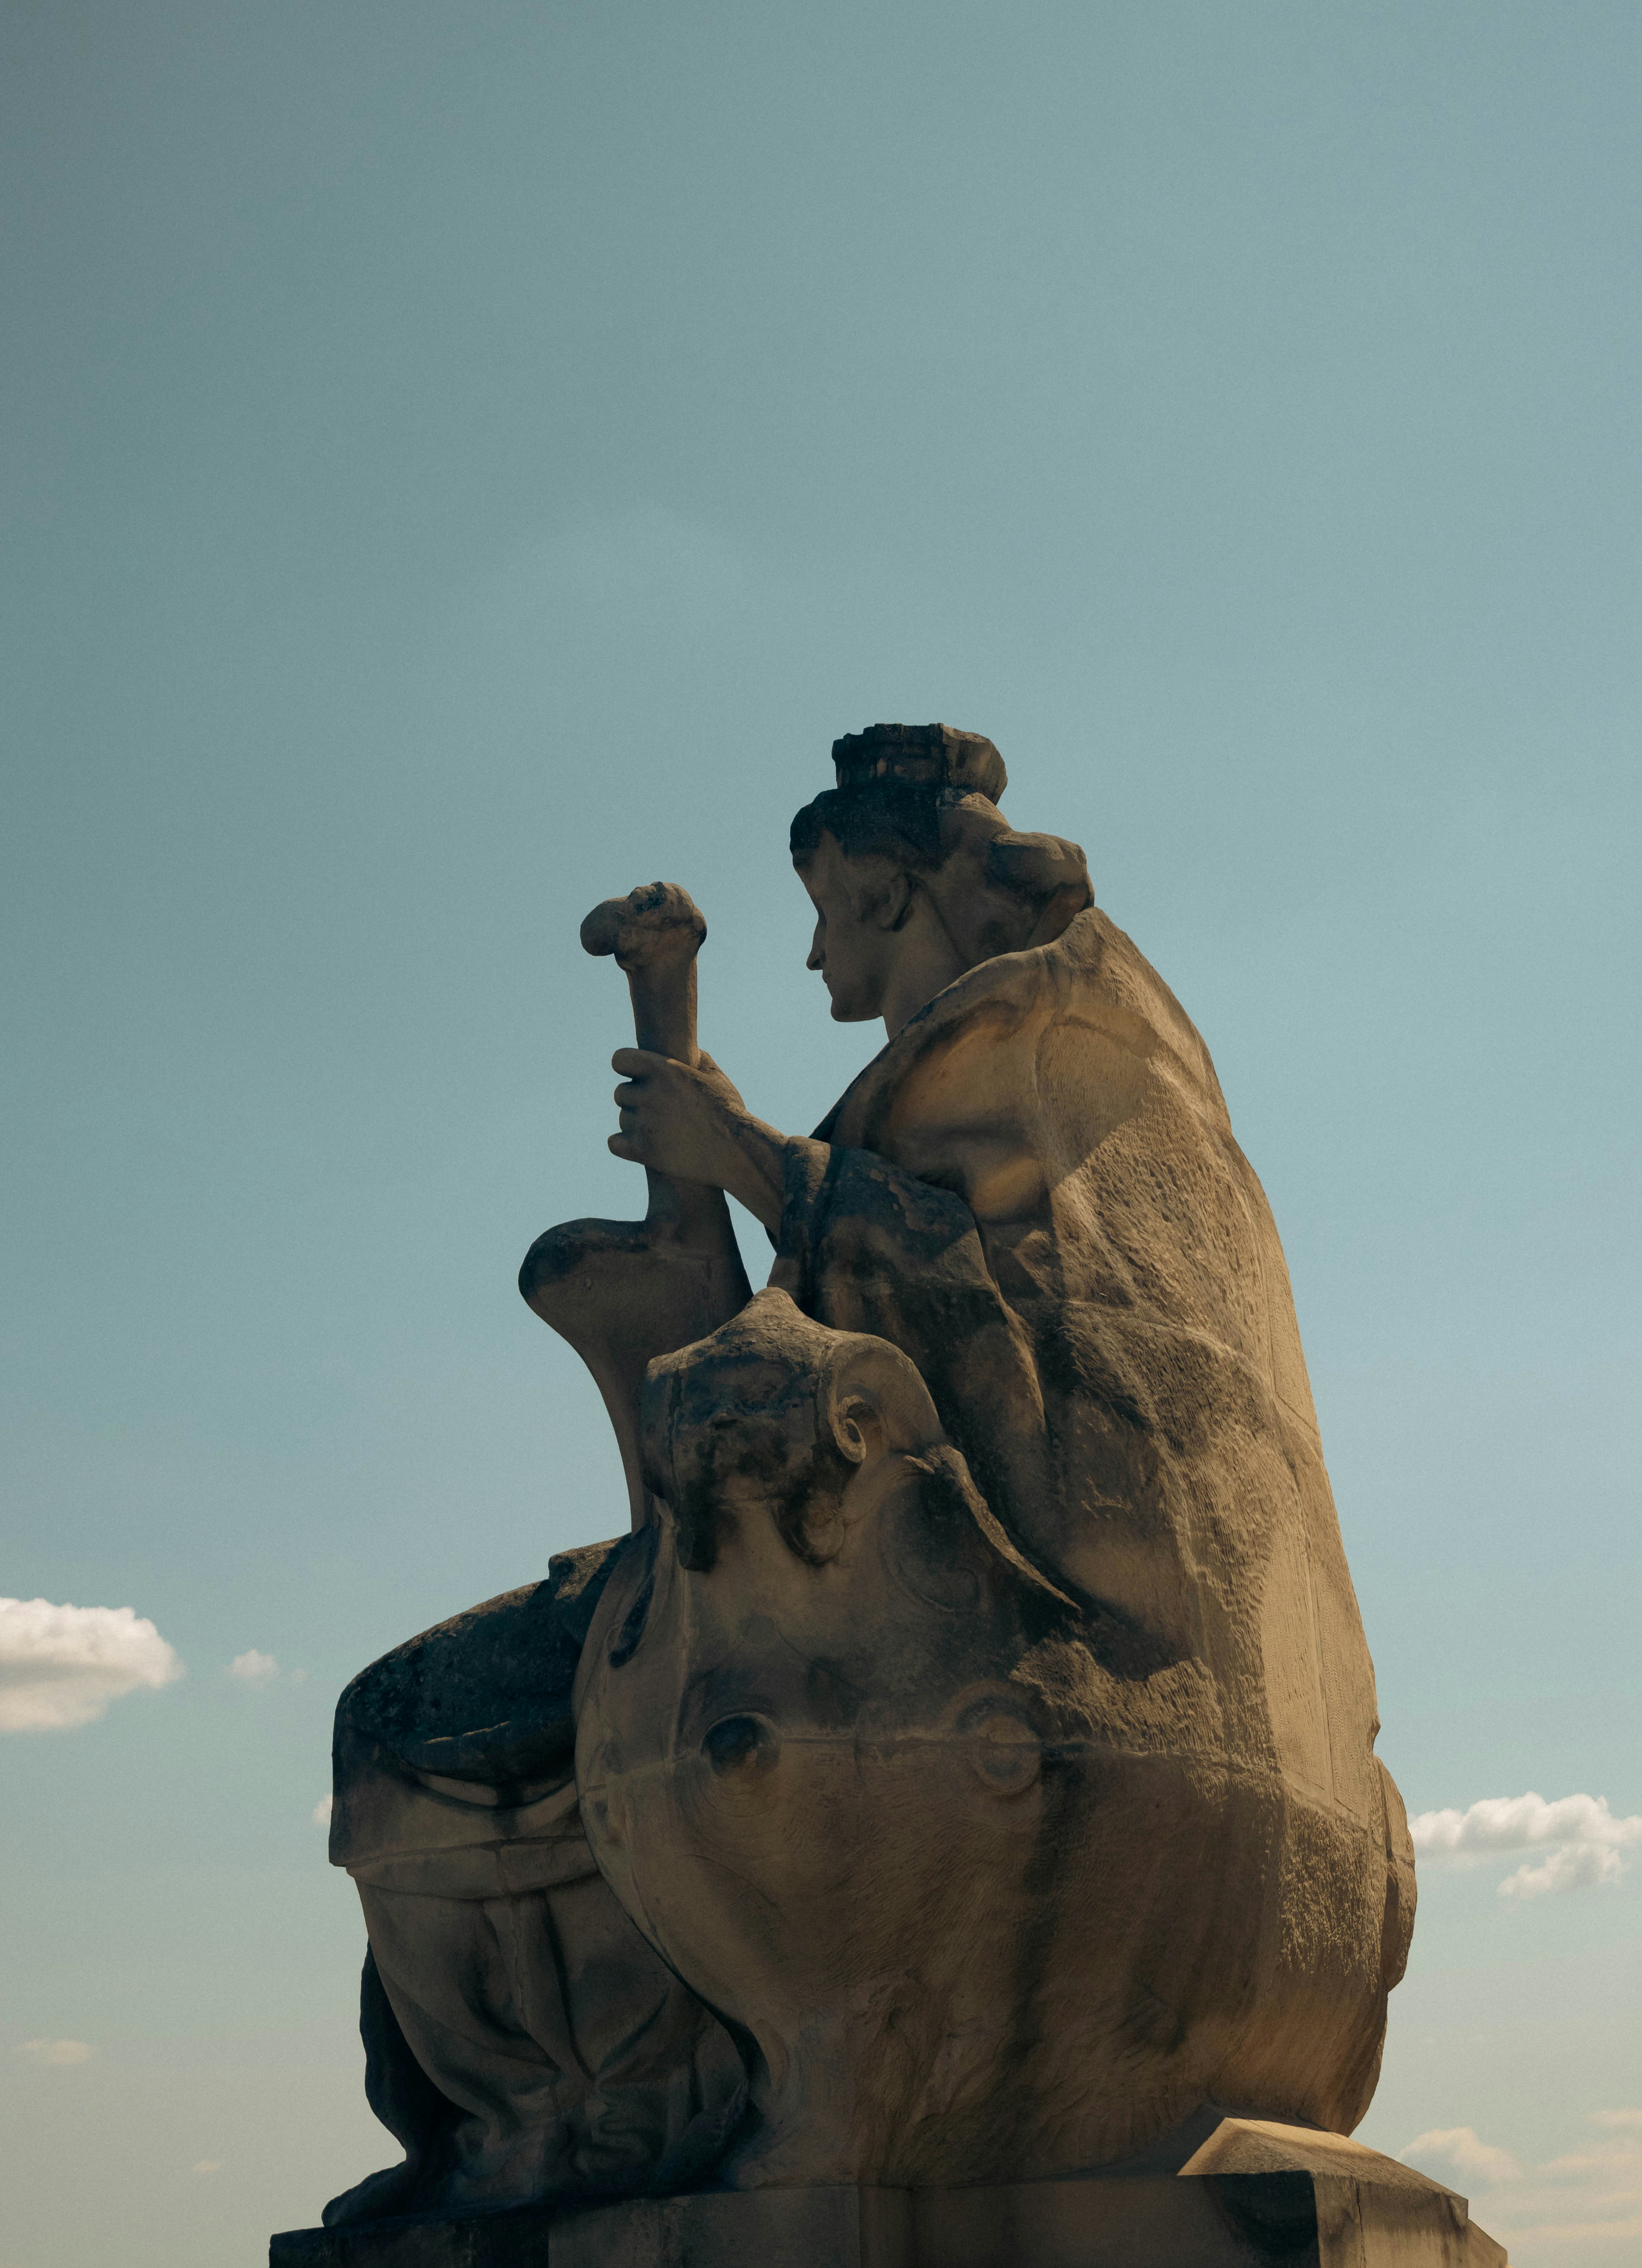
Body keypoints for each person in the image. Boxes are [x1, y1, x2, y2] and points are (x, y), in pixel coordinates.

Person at [323, 724, 1413, 2225]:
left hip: (1015, 1687)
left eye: (828, 910)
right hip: (910, 1613)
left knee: (397, 1728)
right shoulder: (980, 1089)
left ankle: (576, 2121)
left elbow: (1034, 1347)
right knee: (436, 1704)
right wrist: (710, 1163)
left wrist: (756, 1156)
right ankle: (545, 2123)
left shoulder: (1026, 1066)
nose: (818, 952)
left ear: (896, 895)